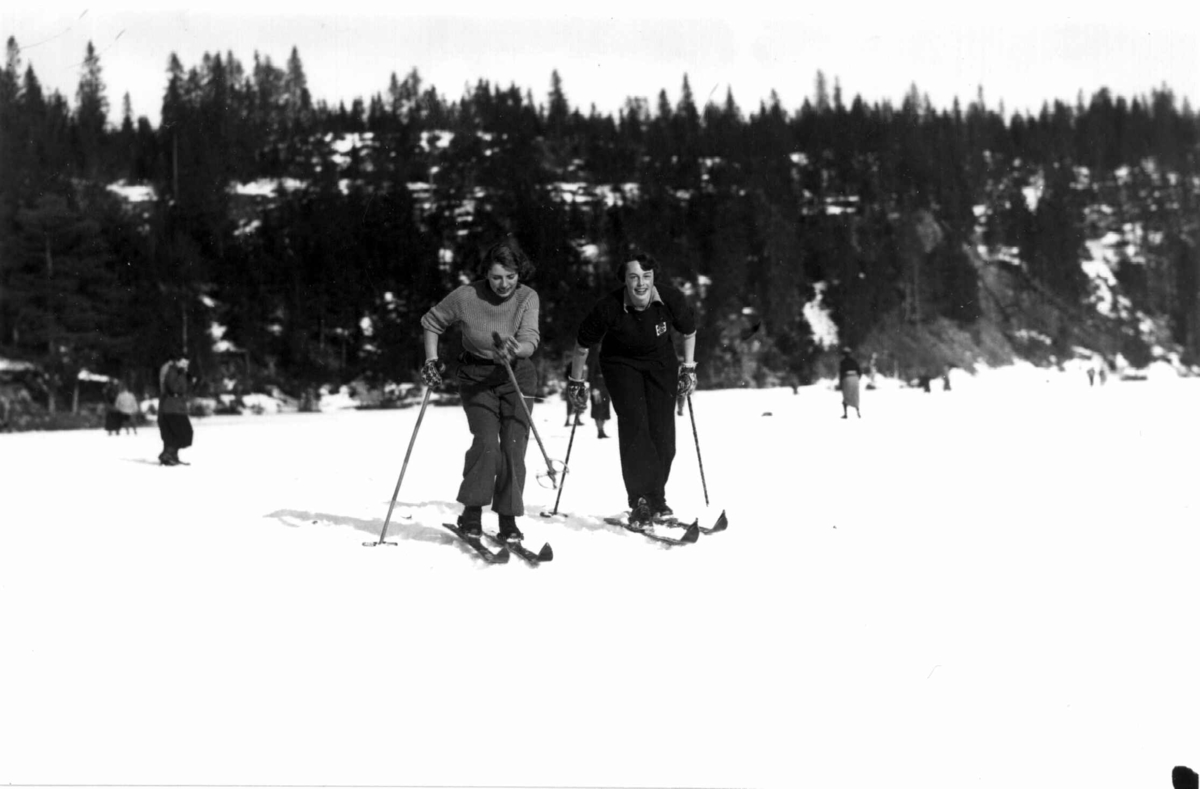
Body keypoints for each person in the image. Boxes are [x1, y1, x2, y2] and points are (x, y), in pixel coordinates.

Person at [420, 237, 540, 544]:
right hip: (477, 377)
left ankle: (508, 518)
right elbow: (432, 321)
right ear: (486, 272)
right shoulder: (466, 295)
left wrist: (516, 350)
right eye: (497, 277)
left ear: (519, 273)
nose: (504, 285)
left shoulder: (528, 297)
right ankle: (471, 513)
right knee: (487, 443)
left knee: (514, 447)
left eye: (510, 277)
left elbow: (530, 338)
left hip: (517, 376)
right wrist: (431, 359)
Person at [565, 251, 697, 531]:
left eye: (646, 277)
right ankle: (641, 500)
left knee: (664, 436)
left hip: (661, 363)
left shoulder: (670, 299)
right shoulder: (608, 307)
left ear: (654, 278)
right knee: (636, 426)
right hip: (620, 365)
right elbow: (581, 345)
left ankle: (656, 499)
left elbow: (689, 331)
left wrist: (689, 367)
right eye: (633, 277)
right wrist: (577, 382)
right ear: (623, 280)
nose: (640, 284)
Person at [157, 357, 194, 465]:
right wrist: (182, 374)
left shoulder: (178, 371)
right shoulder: (173, 371)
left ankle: (172, 455)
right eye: (183, 362)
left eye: (187, 363)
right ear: (177, 362)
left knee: (177, 433)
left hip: (178, 407)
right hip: (172, 407)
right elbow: (173, 388)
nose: (185, 364)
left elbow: (184, 388)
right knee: (182, 433)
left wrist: (188, 378)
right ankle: (167, 455)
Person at [589, 363, 611, 439]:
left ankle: (602, 430)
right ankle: (599, 430)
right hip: (597, 389)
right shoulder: (594, 360)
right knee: (598, 411)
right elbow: (591, 375)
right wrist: (594, 388)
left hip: (605, 389)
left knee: (605, 411)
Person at [839, 347, 862, 419]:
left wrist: (840, 383)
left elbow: (841, 373)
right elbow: (860, 371)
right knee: (855, 396)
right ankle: (858, 412)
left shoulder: (843, 362)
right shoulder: (854, 361)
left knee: (846, 396)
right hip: (855, 378)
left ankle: (845, 414)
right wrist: (857, 379)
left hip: (847, 379)